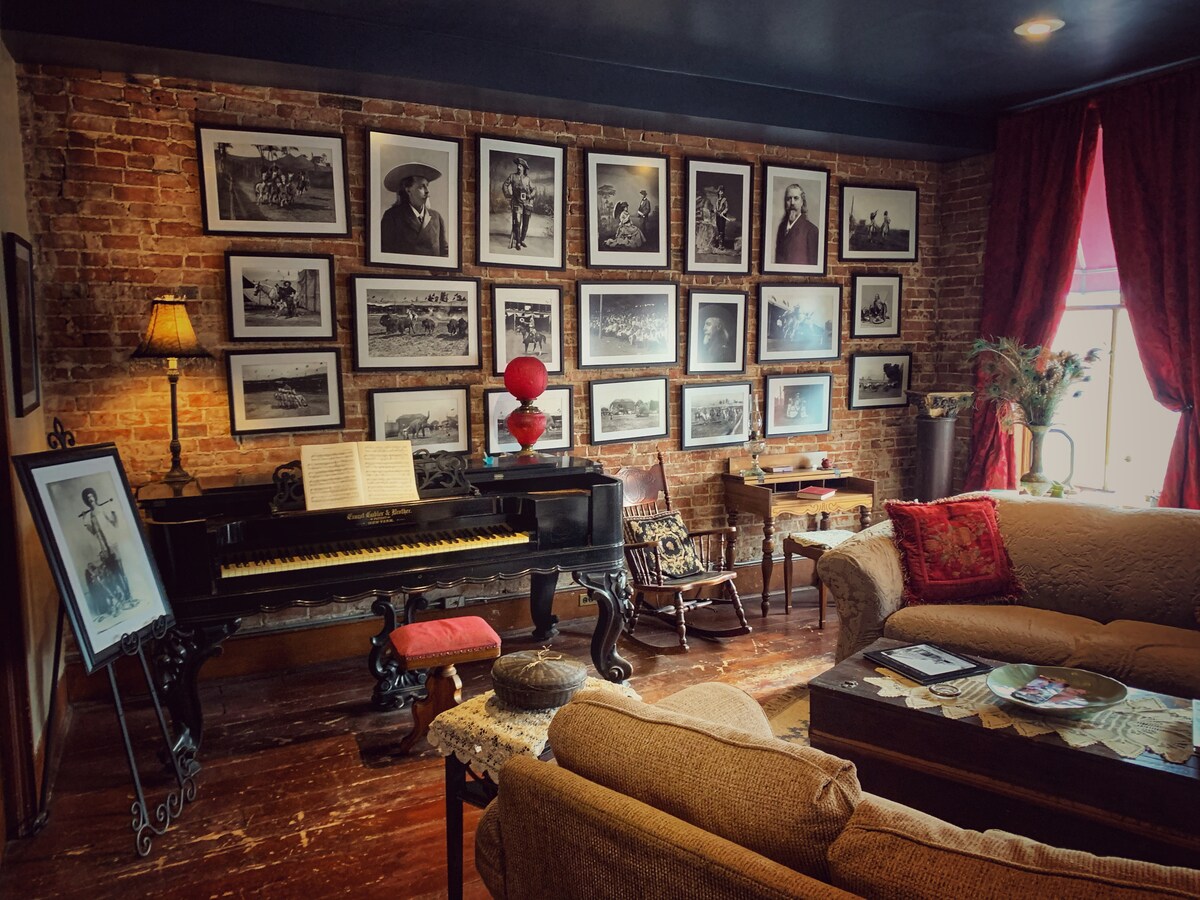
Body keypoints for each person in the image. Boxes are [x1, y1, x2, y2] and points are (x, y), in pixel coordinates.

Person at [380, 162, 449, 257]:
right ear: (408, 190)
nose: (427, 191)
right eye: (421, 187)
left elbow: (444, 253)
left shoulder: (436, 218)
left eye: (427, 186)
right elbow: (385, 252)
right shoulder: (392, 217)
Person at [774, 183, 819, 265]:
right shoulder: (781, 227)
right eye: (789, 199)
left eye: (796, 198)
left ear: (802, 202)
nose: (792, 203)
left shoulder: (811, 230)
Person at [501, 156, 536, 250]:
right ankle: (518, 242)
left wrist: (530, 196)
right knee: (517, 222)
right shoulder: (512, 176)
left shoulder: (527, 179)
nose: (518, 167)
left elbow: (534, 190)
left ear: (524, 168)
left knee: (525, 224)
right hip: (517, 203)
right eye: (518, 165)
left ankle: (522, 239)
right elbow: (505, 185)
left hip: (527, 204)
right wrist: (509, 195)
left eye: (520, 166)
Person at [712, 184, 730, 250]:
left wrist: (723, 212)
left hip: (722, 216)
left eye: (722, 191)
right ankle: (719, 244)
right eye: (720, 191)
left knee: (722, 230)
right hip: (718, 216)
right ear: (718, 192)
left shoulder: (724, 200)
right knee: (719, 229)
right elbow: (716, 208)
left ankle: (721, 245)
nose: (721, 192)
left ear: (723, 192)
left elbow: (727, 208)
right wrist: (715, 210)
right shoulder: (717, 200)